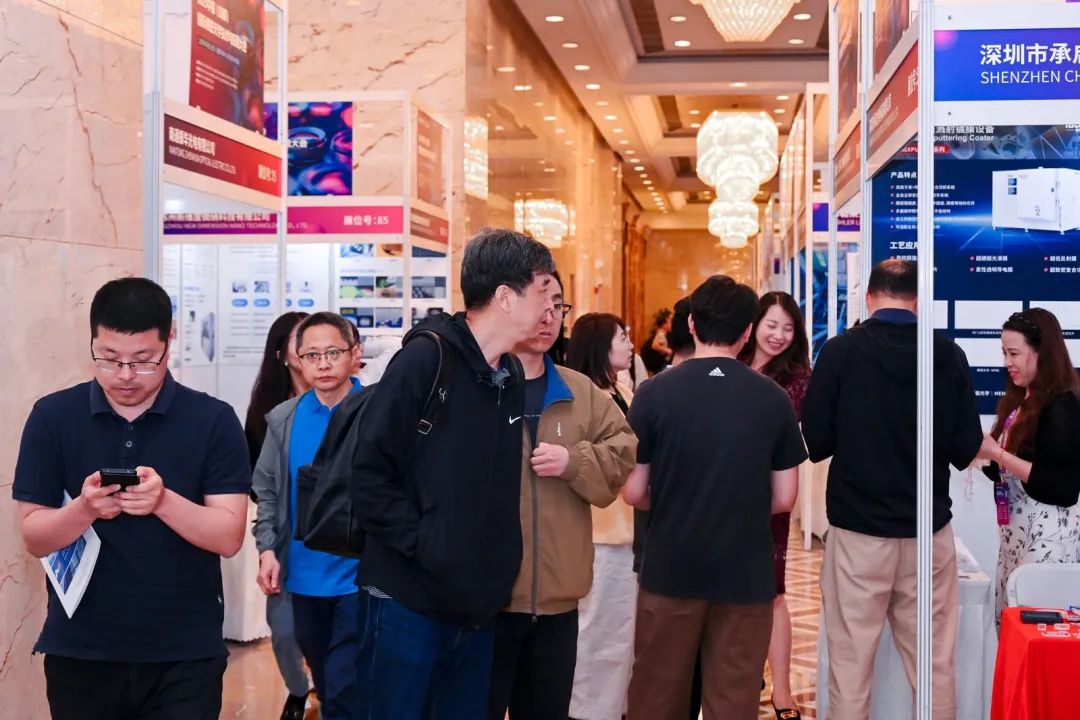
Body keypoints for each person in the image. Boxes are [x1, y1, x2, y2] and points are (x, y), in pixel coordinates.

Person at [13, 277, 251, 720]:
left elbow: (228, 536)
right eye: (109, 359)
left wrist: (163, 501)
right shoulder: (53, 417)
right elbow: (34, 536)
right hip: (81, 651)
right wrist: (84, 510)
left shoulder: (213, 420)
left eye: (143, 361)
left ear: (168, 342)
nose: (124, 375)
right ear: (92, 343)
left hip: (184, 654)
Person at [350, 228, 557, 719]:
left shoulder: (508, 376)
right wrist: (429, 546)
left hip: (476, 607)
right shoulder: (426, 359)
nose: (551, 310)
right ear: (505, 296)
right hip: (405, 601)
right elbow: (369, 476)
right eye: (543, 292)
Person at [801, 259, 983, 720]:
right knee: (934, 667)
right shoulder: (946, 353)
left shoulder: (840, 352)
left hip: (858, 533)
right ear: (918, 301)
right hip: (928, 535)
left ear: (869, 298)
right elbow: (966, 448)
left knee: (850, 665)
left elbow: (816, 441)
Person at [622, 276, 806, 720]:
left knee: (656, 697)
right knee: (733, 701)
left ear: (691, 323)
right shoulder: (773, 398)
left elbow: (633, 490)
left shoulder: (653, 393)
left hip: (670, 568)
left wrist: (676, 501)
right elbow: (785, 496)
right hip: (745, 574)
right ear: (747, 331)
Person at [487, 282, 637, 720]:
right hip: (487, 599)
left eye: (558, 306)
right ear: (506, 304)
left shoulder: (579, 391)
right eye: (540, 304)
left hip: (559, 600)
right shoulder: (479, 388)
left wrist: (575, 461)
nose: (549, 316)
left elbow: (624, 452)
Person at [253, 312, 363, 720]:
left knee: (346, 683)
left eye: (333, 353)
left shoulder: (377, 411)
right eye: (312, 355)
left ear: (354, 354)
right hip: (302, 578)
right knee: (328, 682)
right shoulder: (284, 418)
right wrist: (267, 549)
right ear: (297, 360)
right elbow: (266, 489)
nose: (323, 364)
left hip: (361, 578)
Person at [976, 309, 1080, 620]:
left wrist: (999, 455)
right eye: (1004, 353)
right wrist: (982, 455)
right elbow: (1008, 469)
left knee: (1035, 632)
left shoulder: (1062, 406)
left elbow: (1060, 487)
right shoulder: (1020, 401)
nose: (1007, 362)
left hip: (1047, 546)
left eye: (1014, 353)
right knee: (1009, 628)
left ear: (1041, 352)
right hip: (1014, 541)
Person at [737, 291, 811, 719]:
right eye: (772, 325)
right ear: (754, 325)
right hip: (723, 492)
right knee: (729, 594)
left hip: (769, 496)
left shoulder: (797, 379)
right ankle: (743, 679)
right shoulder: (731, 361)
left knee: (772, 593)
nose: (779, 335)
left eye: (788, 328)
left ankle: (782, 691)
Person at [564, 313, 640, 720]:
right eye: (621, 337)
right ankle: (588, 711)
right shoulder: (583, 398)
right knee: (598, 632)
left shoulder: (622, 390)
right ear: (599, 345)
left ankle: (615, 707)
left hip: (629, 529)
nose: (629, 344)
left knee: (622, 632)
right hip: (600, 531)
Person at [244, 310, 312, 720]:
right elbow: (258, 482)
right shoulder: (268, 413)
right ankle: (299, 689)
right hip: (284, 534)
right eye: (299, 342)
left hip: (336, 537)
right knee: (284, 630)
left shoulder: (344, 403)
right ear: (282, 354)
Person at [640, 308, 674, 375]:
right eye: (670, 322)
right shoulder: (661, 334)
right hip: (661, 363)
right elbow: (655, 345)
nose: (672, 324)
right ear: (664, 324)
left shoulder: (663, 334)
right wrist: (668, 351)